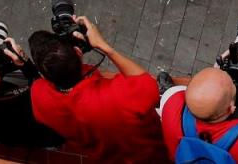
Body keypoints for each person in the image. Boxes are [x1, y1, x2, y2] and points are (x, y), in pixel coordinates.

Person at [29, 16, 165, 161]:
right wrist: (104, 46)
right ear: (78, 52)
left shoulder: (39, 97)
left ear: (44, 76)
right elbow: (149, 86)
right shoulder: (118, 95)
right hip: (151, 153)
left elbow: (40, 85)